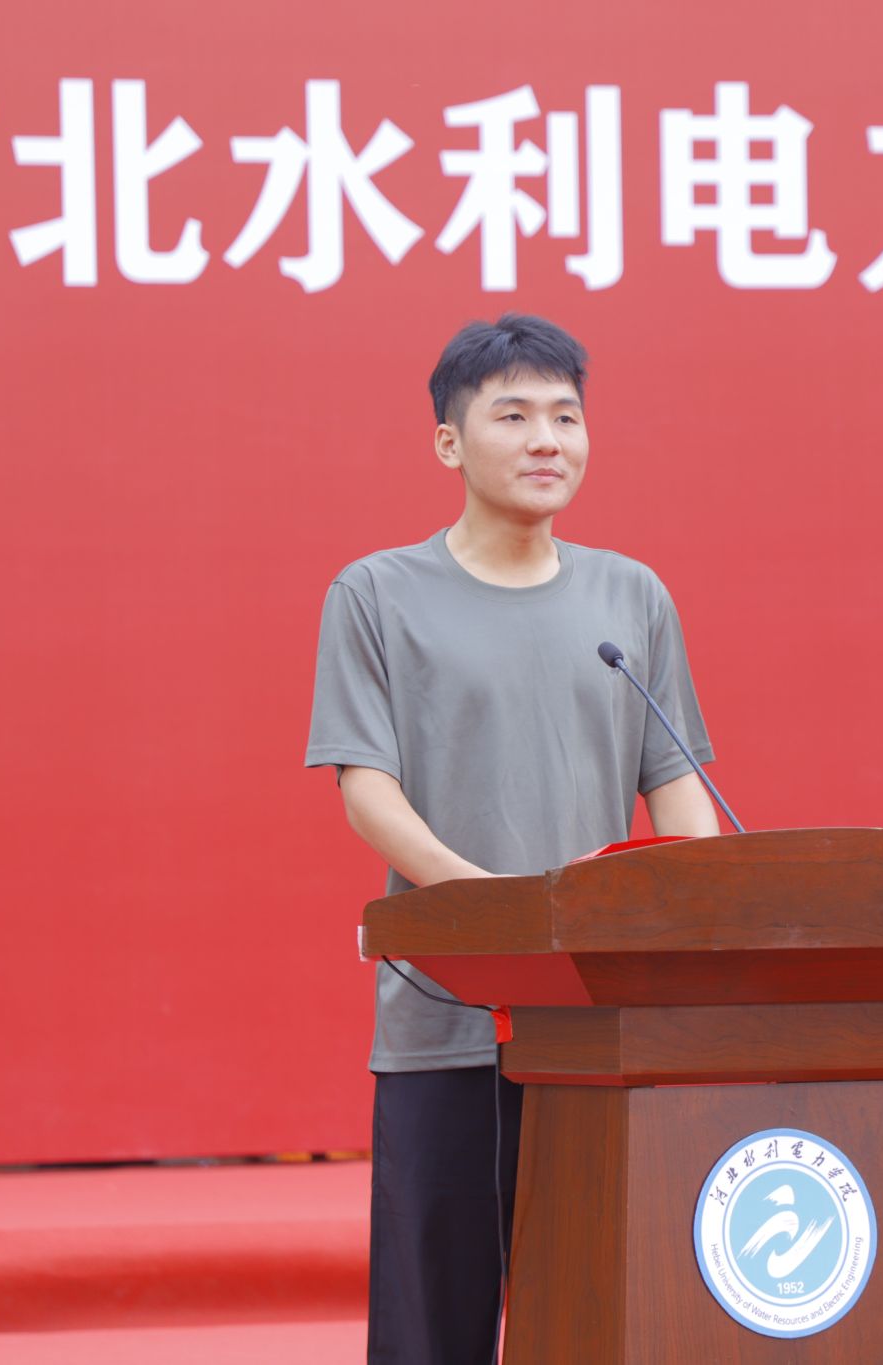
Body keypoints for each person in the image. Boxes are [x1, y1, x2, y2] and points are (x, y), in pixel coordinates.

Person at [304, 313, 722, 1364]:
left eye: (566, 417)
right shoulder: (376, 594)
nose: (548, 440)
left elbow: (678, 791)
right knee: (433, 1327)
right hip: (449, 1010)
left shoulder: (630, 596)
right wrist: (495, 911)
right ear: (449, 443)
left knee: (596, 1312)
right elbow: (368, 789)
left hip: (600, 1019)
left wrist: (698, 921)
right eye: (515, 416)